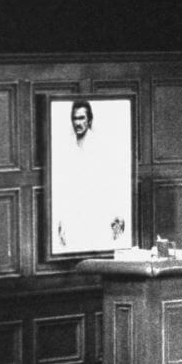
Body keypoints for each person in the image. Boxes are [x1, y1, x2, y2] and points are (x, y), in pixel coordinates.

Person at [51, 100, 130, 252]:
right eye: (75, 118)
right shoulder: (67, 147)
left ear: (89, 120)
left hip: (97, 211)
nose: (78, 123)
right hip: (74, 212)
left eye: (81, 118)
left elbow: (111, 182)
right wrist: (61, 220)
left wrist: (116, 216)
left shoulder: (99, 145)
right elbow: (63, 185)